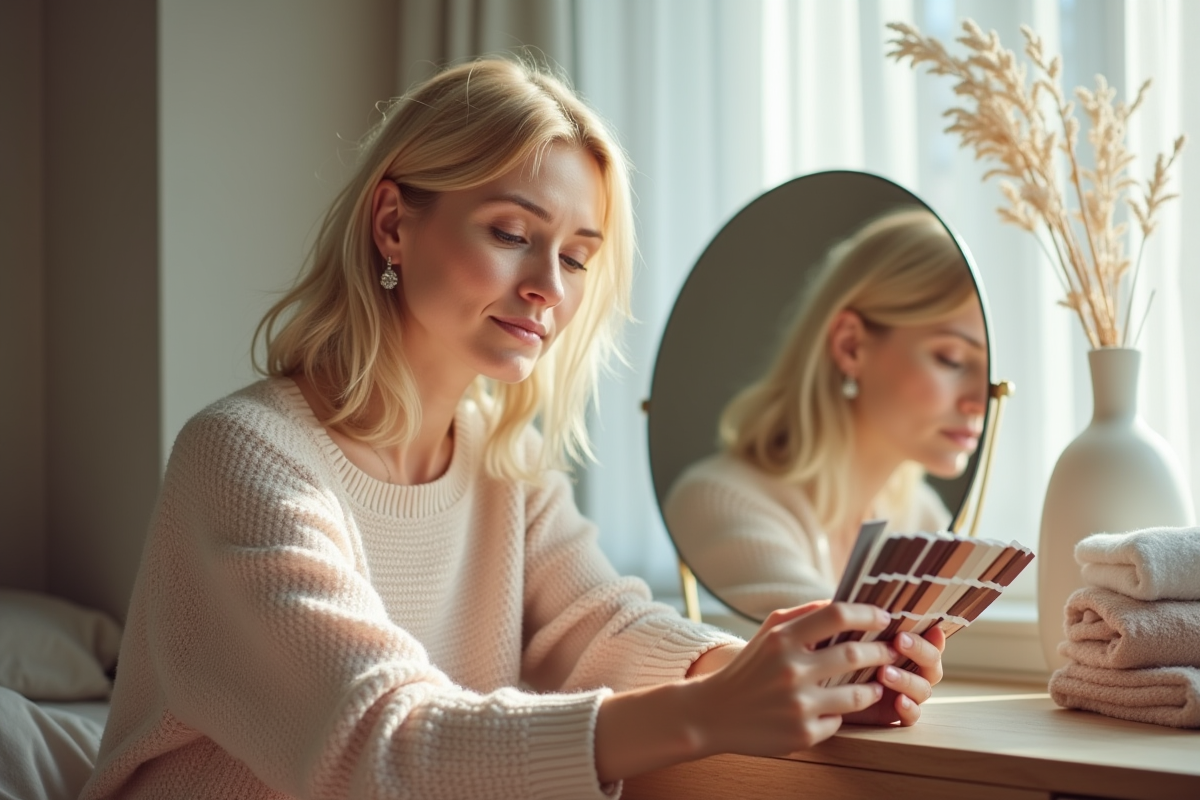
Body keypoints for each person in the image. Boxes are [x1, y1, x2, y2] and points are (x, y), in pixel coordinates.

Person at [81, 59, 944, 800]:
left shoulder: (506, 464)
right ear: (393, 224)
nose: (549, 288)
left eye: (574, 256)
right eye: (511, 233)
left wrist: (797, 675)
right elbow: (382, 740)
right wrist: (708, 710)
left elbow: (603, 629)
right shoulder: (246, 456)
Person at [664, 208, 989, 620]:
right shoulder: (719, 501)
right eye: (952, 358)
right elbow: (830, 651)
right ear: (851, 345)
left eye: (988, 365)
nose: (981, 400)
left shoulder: (921, 517)